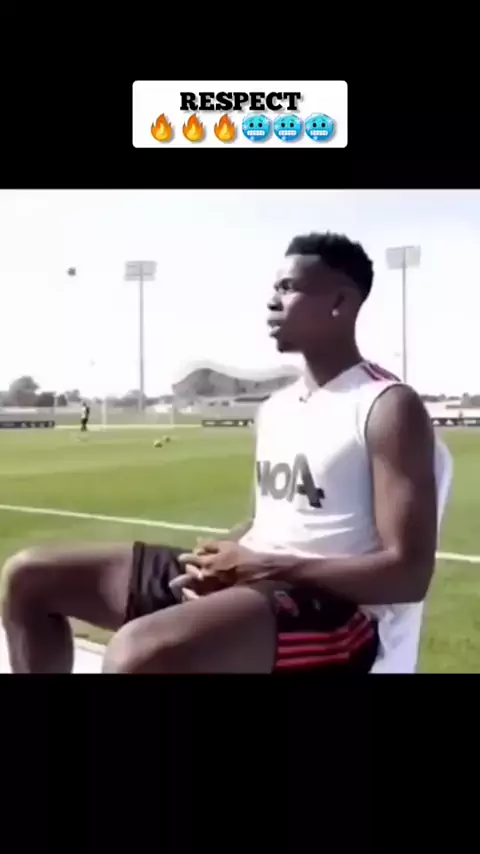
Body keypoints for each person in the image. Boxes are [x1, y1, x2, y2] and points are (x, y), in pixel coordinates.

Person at [1, 232, 451, 674]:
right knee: (28, 577)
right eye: (274, 288)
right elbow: (265, 522)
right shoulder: (277, 407)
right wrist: (216, 559)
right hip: (260, 578)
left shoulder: (387, 406)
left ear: (339, 302)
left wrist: (263, 566)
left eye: (288, 288)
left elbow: (408, 575)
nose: (272, 301)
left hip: (341, 615)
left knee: (137, 654)